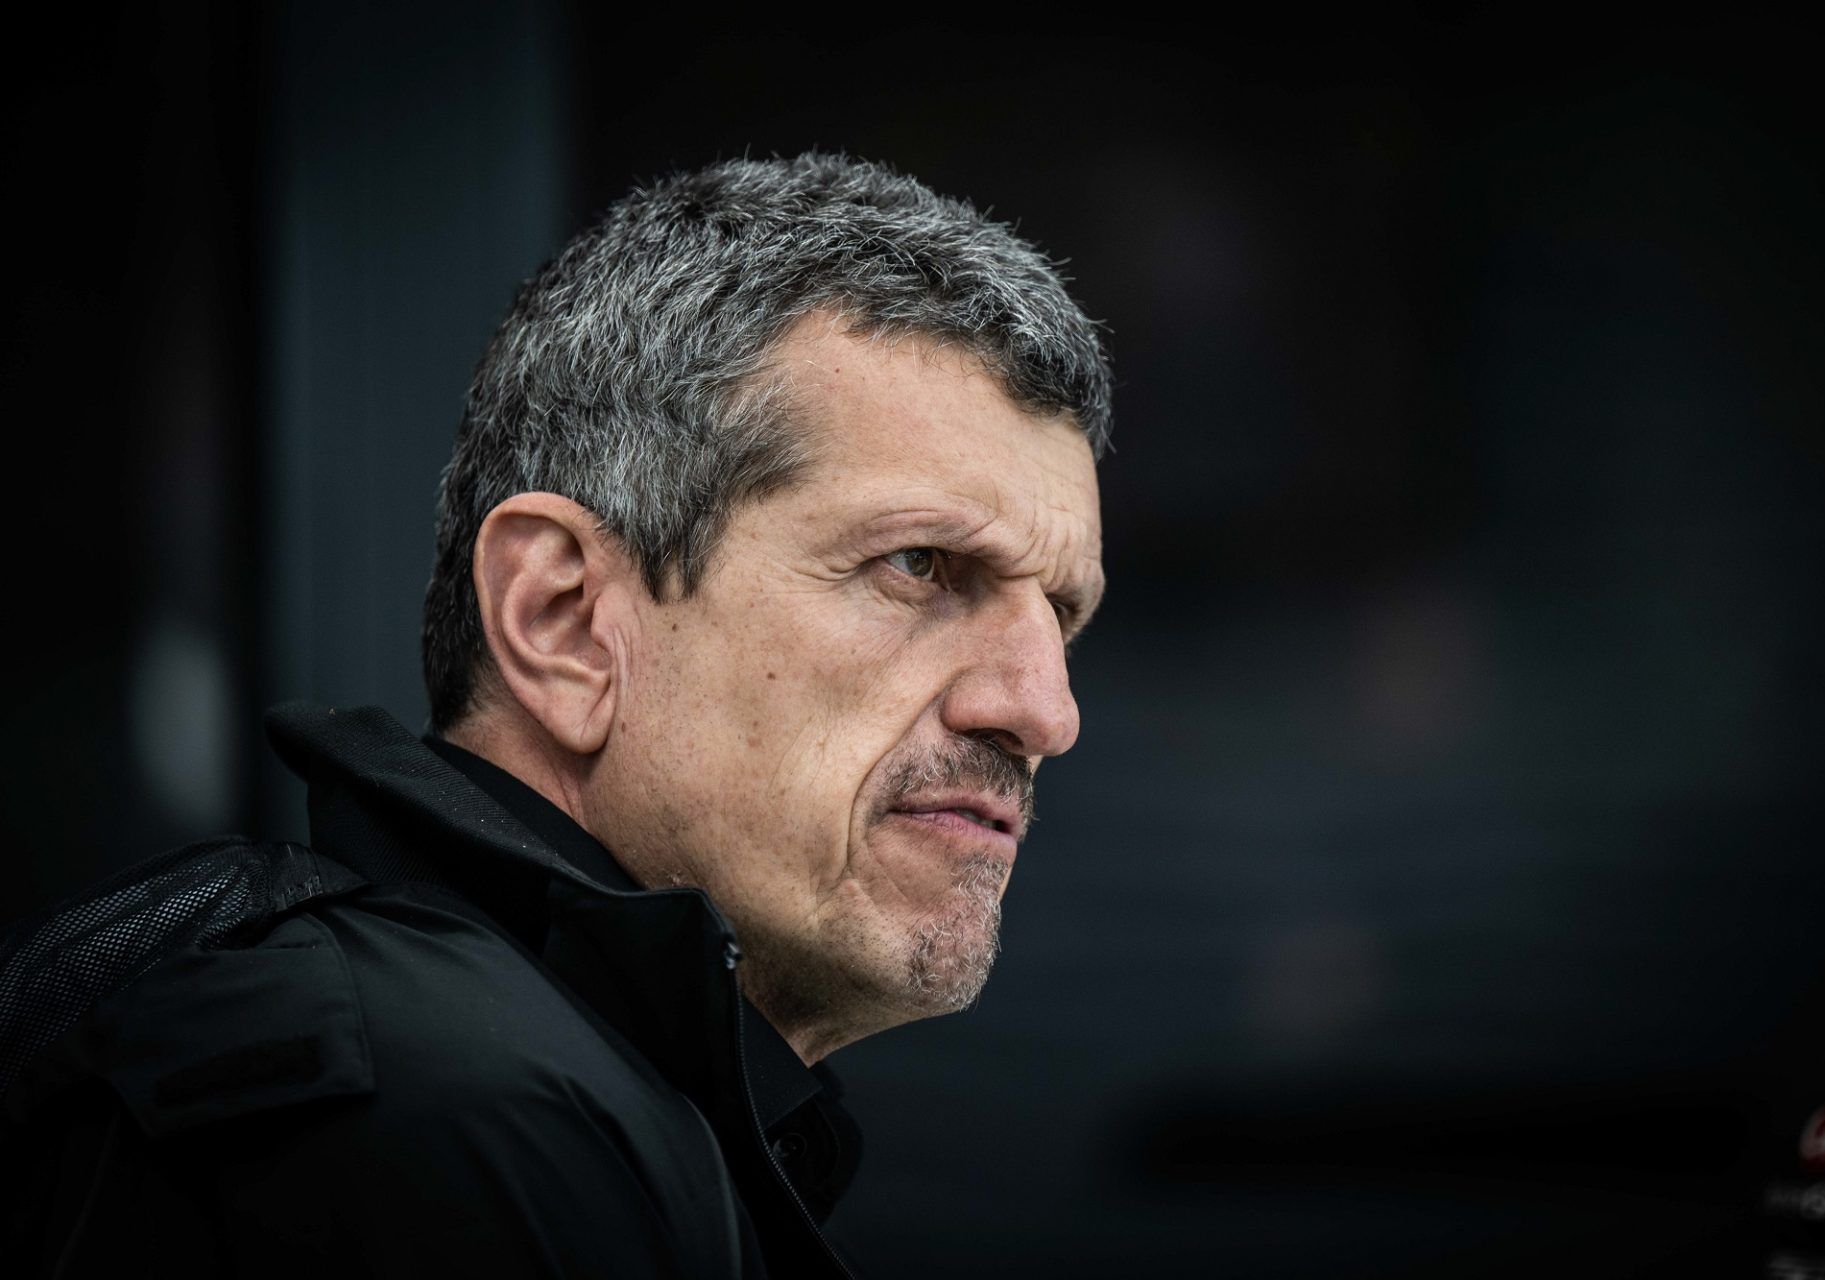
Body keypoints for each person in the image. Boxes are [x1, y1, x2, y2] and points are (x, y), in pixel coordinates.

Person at [1, 153, 1110, 1277]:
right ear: (564, 620)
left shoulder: (518, 1091)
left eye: (1062, 614)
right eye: (919, 565)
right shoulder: (440, 1125)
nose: (1043, 709)